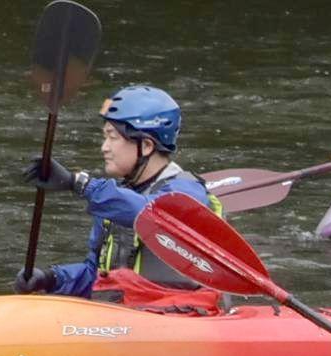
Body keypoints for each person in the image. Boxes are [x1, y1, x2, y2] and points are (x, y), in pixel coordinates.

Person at [16, 85, 224, 307]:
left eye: (112, 137)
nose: (104, 147)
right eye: (104, 136)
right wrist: (52, 279)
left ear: (145, 145)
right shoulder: (115, 201)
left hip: (180, 317)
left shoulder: (187, 193)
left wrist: (78, 183)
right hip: (125, 320)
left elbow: (151, 214)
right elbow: (97, 278)